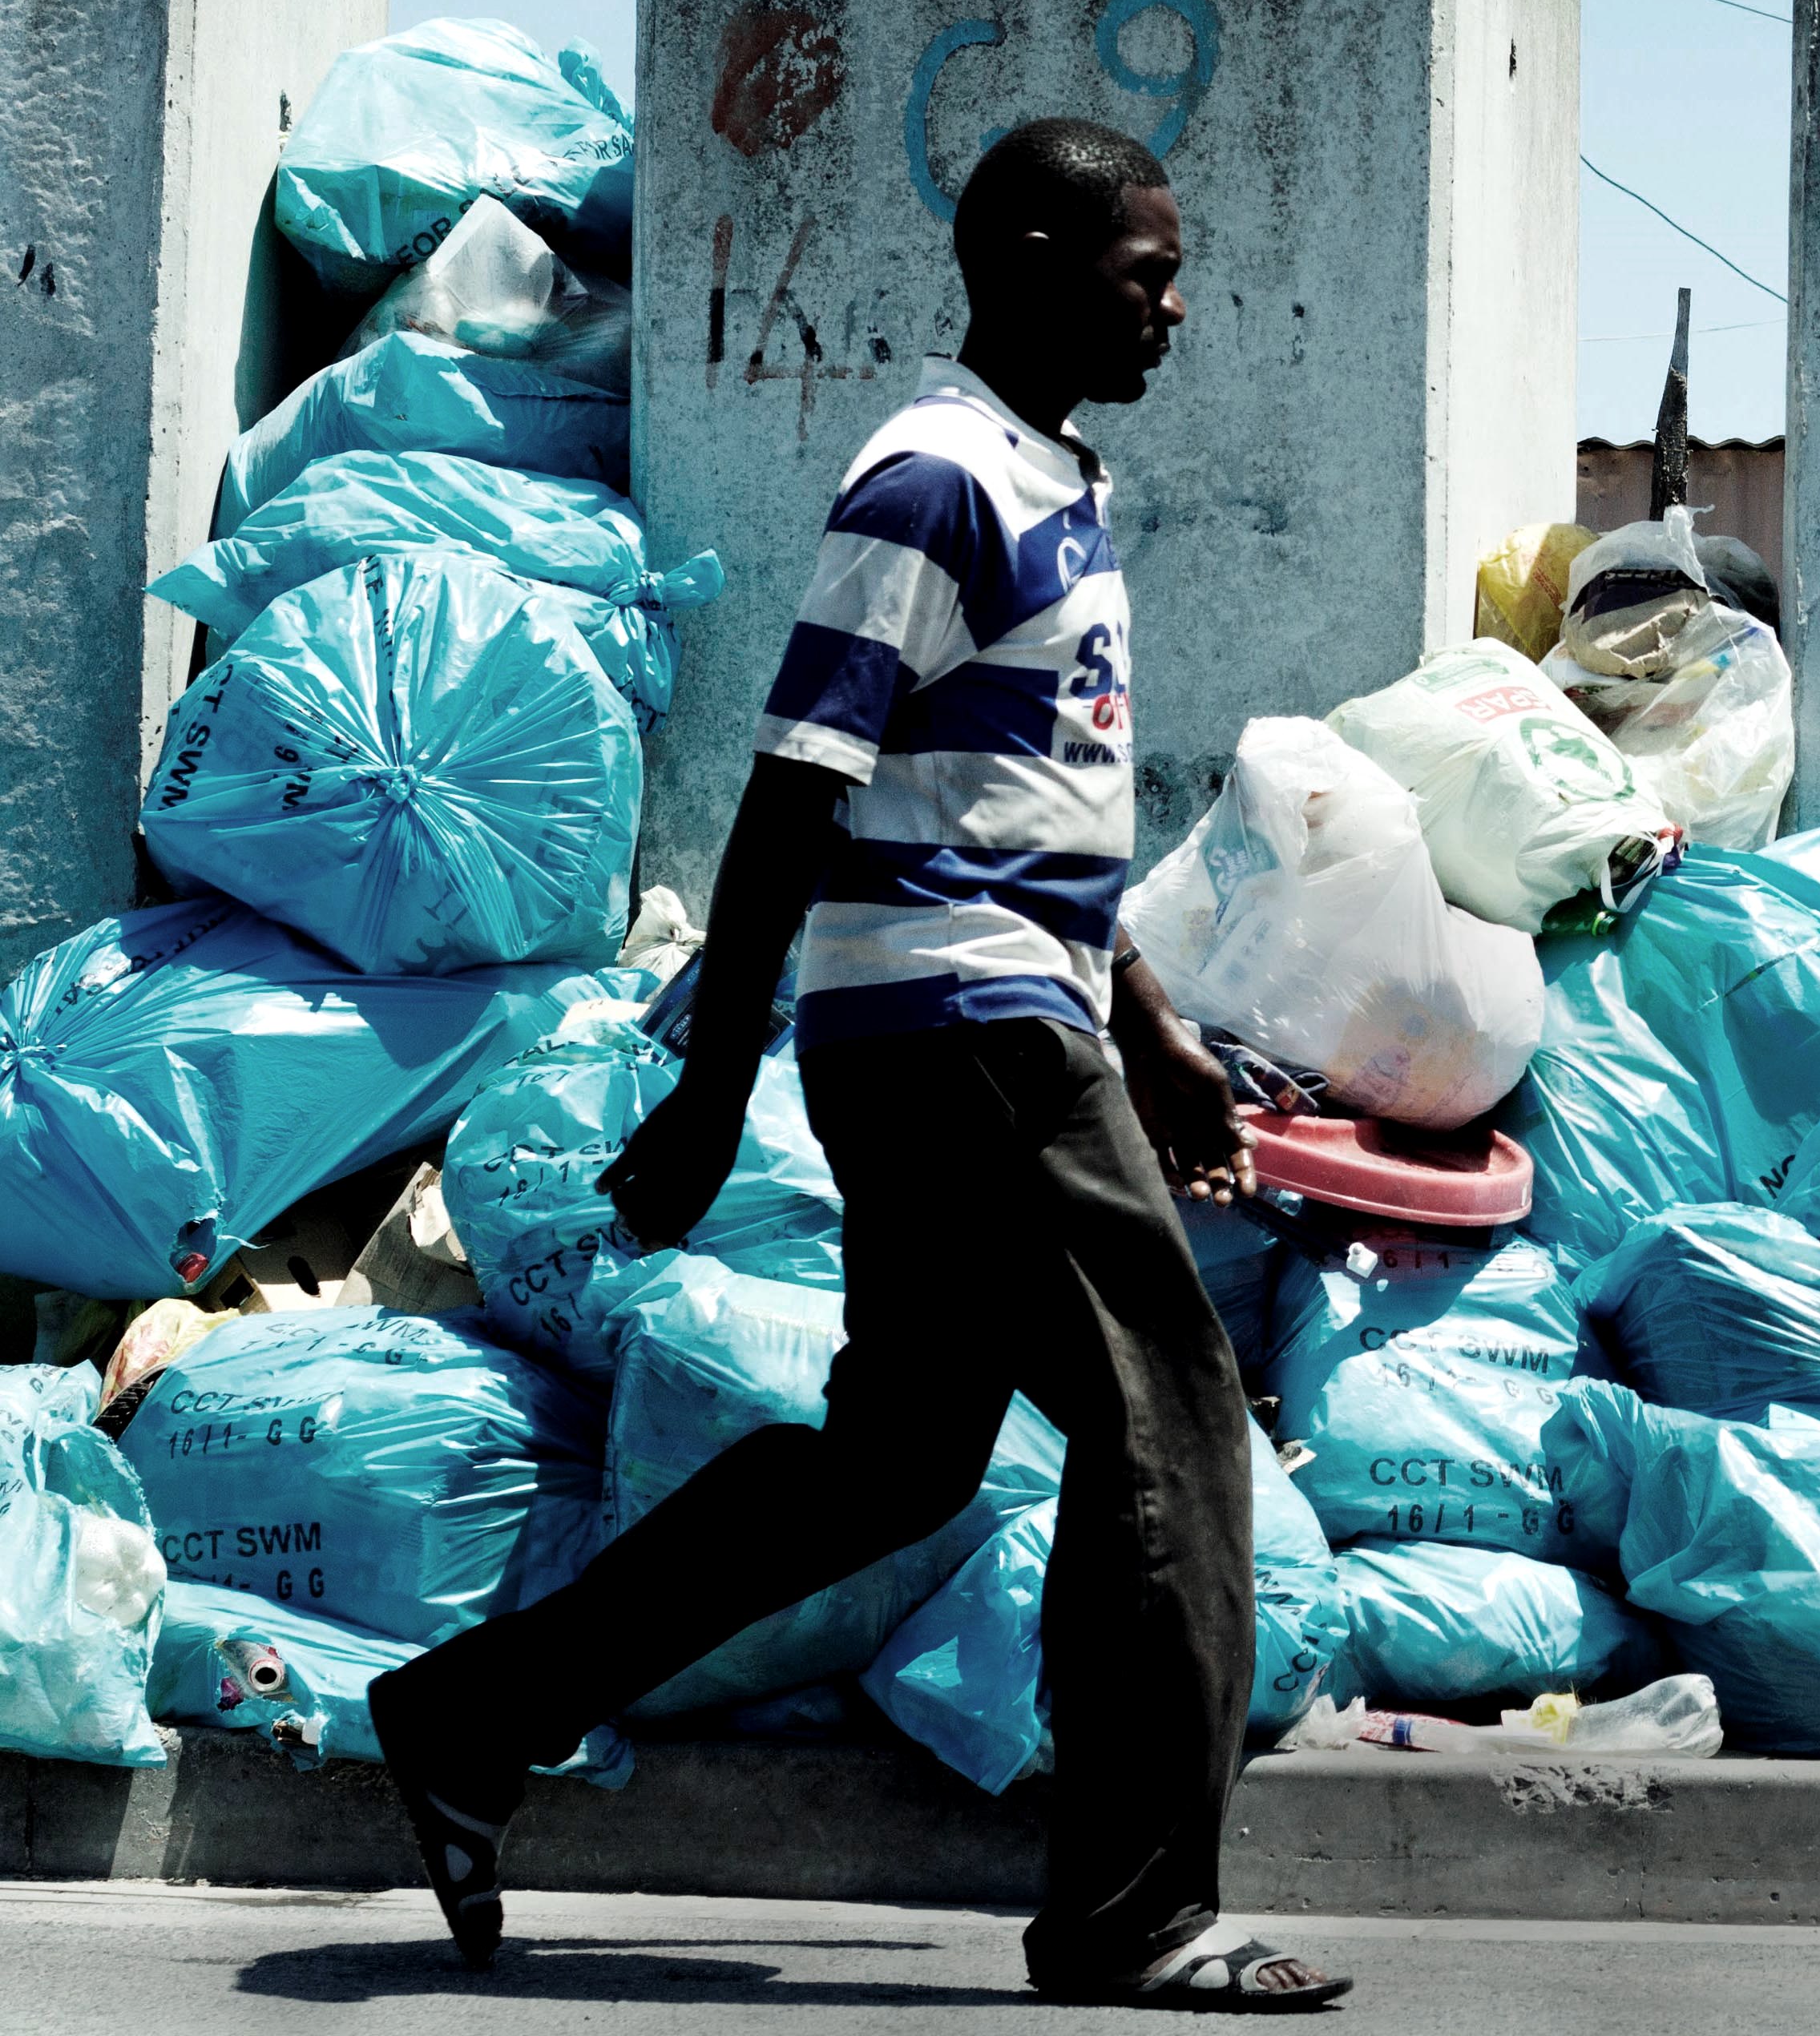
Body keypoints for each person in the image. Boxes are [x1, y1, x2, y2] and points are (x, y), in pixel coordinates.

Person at [368, 118, 1350, 2013]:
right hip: (958, 1038)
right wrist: (716, 1085)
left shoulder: (1056, 482)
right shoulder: (929, 478)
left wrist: (1154, 1042)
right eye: (1144, 269)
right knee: (1171, 1430)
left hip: (999, 1019)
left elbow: (1019, 823)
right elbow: (796, 789)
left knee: (899, 1461)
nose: (1171, 304)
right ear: (1038, 258)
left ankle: (475, 1717)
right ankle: (1135, 1916)